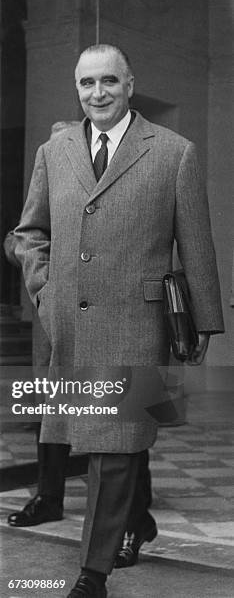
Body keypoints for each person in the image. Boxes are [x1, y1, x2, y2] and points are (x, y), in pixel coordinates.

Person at [14, 44, 224, 598]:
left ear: (130, 85)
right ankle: (136, 524)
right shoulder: (54, 152)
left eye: (109, 81)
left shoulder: (174, 152)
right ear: (76, 89)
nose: (97, 93)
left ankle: (93, 574)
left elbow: (196, 243)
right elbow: (28, 233)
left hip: (136, 324)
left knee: (116, 449)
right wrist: (45, 286)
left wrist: (202, 321)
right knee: (81, 441)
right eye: (86, 84)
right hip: (68, 326)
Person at [5, 232, 156, 567]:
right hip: (60, 314)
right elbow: (21, 237)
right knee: (54, 404)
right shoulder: (58, 179)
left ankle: (135, 521)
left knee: (122, 414)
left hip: (114, 312)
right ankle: (48, 497)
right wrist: (46, 284)